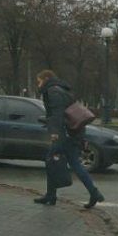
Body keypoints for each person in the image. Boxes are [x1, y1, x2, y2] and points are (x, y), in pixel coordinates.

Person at [33, 70, 105, 208]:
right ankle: (53, 195)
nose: (39, 84)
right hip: (71, 133)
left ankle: (53, 195)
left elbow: (57, 113)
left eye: (39, 81)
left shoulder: (53, 91)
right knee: (64, 162)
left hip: (65, 134)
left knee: (55, 161)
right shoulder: (61, 89)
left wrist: (55, 132)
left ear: (46, 79)